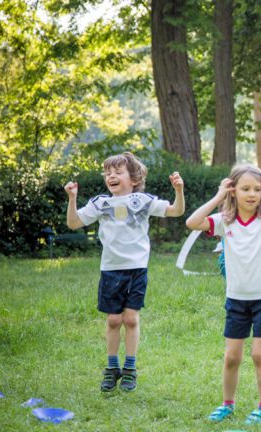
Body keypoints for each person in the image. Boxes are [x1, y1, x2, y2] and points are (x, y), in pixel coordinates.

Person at [185, 164, 261, 426]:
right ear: (233, 191)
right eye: (245, 189)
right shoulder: (224, 221)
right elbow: (192, 222)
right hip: (236, 299)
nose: (252, 194)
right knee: (232, 357)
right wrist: (218, 197)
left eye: (257, 190)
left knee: (259, 355)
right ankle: (227, 404)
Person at [64, 152, 185, 392]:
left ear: (134, 178)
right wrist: (73, 198)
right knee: (113, 320)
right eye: (108, 173)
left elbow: (176, 211)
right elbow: (74, 223)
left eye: (118, 172)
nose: (112, 176)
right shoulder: (100, 203)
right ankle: (111, 368)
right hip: (110, 270)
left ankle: (130, 368)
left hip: (137, 269)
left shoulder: (143, 200)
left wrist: (178, 191)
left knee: (130, 319)